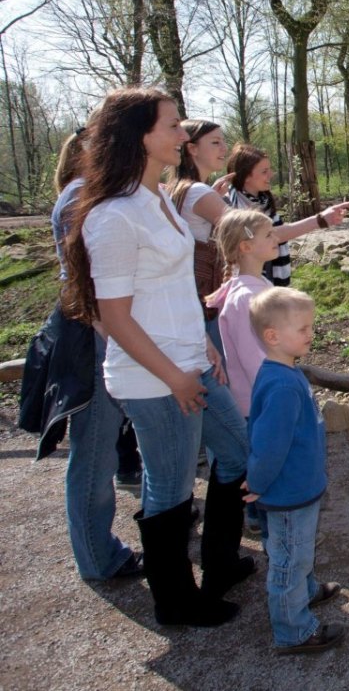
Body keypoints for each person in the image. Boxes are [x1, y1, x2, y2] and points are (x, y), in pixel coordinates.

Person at [61, 87, 253, 627]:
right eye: (172, 126)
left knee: (236, 450)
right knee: (169, 485)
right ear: (141, 136)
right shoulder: (113, 216)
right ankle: (175, 600)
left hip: (189, 361)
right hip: (154, 377)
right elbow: (114, 317)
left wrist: (204, 344)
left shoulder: (159, 200)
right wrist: (173, 376)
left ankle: (219, 563)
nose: (182, 135)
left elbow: (172, 288)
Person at [19, 129, 142, 581]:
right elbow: (86, 282)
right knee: (94, 451)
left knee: (102, 447)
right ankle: (98, 557)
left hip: (100, 330)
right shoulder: (78, 196)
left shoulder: (89, 195)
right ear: (84, 154)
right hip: (91, 334)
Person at [244, 287, 344, 654]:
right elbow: (269, 445)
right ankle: (293, 630)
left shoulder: (284, 371)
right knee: (289, 556)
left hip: (299, 485)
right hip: (288, 491)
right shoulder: (283, 385)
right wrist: (257, 482)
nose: (311, 334)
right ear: (273, 336)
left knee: (296, 547)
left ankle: (305, 591)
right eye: (303, 329)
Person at [207, 209, 278, 538]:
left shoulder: (257, 285)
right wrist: (282, 393)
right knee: (266, 466)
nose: (275, 237)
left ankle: (259, 517)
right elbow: (255, 360)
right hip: (258, 401)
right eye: (267, 235)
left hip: (261, 395)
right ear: (245, 247)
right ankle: (272, 531)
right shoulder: (245, 297)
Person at [224, 143, 349, 287]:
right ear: (246, 176)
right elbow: (271, 234)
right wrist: (319, 220)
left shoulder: (263, 201)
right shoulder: (229, 204)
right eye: (264, 171)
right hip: (249, 284)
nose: (271, 174)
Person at [167, 119, 235, 351]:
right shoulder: (198, 191)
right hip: (204, 298)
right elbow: (248, 230)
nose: (224, 149)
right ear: (192, 148)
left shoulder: (178, 187)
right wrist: (318, 220)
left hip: (187, 296)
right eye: (215, 142)